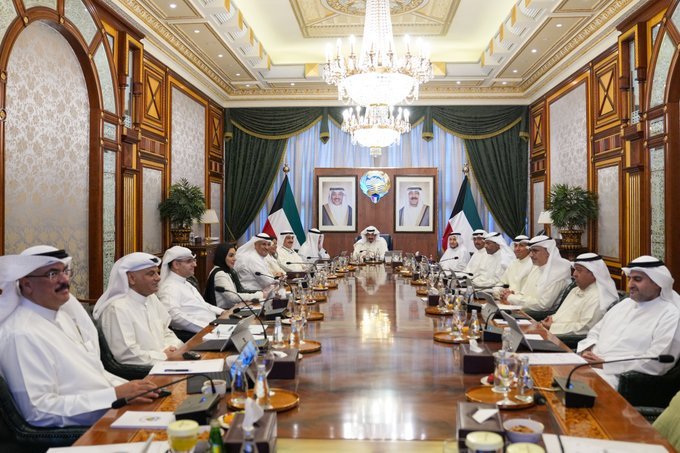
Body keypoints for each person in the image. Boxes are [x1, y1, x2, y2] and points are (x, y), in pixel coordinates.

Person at [0, 247, 159, 427]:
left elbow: (93, 374)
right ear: (27, 284)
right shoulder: (21, 334)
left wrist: (134, 389)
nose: (64, 280)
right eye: (52, 274)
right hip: (91, 429)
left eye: (65, 271)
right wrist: (115, 395)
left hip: (117, 410)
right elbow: (40, 411)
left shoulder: (62, 317)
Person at [577, 256, 680, 388]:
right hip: (588, 364)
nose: (630, 285)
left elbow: (657, 361)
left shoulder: (670, 314)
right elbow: (595, 331)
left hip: (617, 377)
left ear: (657, 282)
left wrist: (605, 364)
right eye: (630, 279)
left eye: (637, 279)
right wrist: (587, 349)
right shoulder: (625, 304)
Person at [94, 252, 184, 366]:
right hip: (144, 372)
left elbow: (166, 331)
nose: (158, 278)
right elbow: (127, 354)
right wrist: (164, 356)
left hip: (168, 362)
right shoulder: (117, 308)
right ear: (131, 278)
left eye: (157, 272)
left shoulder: (151, 298)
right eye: (151, 274)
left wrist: (174, 347)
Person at [541, 253, 617, 336]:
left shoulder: (599, 298)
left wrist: (553, 326)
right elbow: (562, 314)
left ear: (594, 274)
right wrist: (552, 318)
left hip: (565, 339)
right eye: (574, 269)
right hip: (551, 331)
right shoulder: (575, 290)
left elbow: (585, 328)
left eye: (579, 270)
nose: (574, 274)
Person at [157, 246, 224, 333]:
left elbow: (203, 305)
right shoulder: (169, 287)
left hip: (211, 326)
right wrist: (208, 328)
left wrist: (223, 312)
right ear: (176, 264)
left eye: (194, 260)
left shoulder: (186, 282)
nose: (195, 265)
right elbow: (173, 315)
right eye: (189, 261)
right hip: (195, 333)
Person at [501, 235, 571, 312]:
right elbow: (524, 294)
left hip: (539, 316)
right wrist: (512, 295)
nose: (530, 255)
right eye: (530, 251)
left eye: (535, 251)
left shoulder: (558, 274)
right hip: (523, 310)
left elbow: (542, 305)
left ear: (549, 252)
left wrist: (511, 298)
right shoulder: (536, 268)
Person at [204, 242, 266, 309]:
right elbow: (233, 297)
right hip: (223, 312)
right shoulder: (220, 274)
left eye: (234, 255)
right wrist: (260, 295)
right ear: (222, 256)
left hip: (231, 309)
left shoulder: (226, 270)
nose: (235, 259)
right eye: (231, 256)